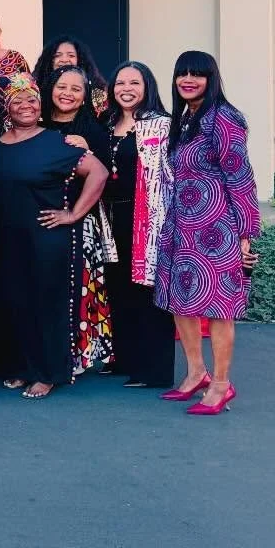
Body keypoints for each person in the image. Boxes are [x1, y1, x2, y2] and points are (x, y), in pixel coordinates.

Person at [0, 73, 109, 399]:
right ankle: (20, 367)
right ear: (6, 108)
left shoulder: (55, 142)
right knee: (11, 304)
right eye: (17, 100)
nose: (25, 105)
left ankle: (48, 372)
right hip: (7, 240)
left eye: (32, 100)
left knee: (45, 305)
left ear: (40, 105)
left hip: (46, 238)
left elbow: (98, 171)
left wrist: (74, 213)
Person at [156, 51, 260, 415]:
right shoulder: (186, 119)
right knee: (181, 303)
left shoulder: (225, 117)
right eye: (182, 73)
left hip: (217, 227)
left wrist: (246, 233)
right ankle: (196, 373)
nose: (188, 80)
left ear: (211, 78)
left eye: (197, 74)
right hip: (183, 224)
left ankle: (221, 384)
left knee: (218, 307)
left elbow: (240, 175)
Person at [100, 60, 176, 389]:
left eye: (134, 83)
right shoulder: (106, 123)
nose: (126, 89)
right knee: (117, 289)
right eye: (120, 83)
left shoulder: (161, 125)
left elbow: (173, 175)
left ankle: (155, 369)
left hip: (147, 217)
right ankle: (126, 359)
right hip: (110, 216)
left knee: (147, 290)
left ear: (147, 87)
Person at [40, 65, 115, 373]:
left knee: (73, 288)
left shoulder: (92, 129)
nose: (67, 93)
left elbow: (106, 176)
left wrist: (74, 214)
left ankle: (74, 356)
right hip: (38, 217)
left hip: (76, 223)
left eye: (75, 89)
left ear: (85, 96)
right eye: (62, 86)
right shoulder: (36, 122)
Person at [35, 36, 108, 117]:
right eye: (57, 55)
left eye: (71, 55)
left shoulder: (97, 91)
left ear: (80, 59)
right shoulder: (36, 88)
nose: (64, 59)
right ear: (49, 60)